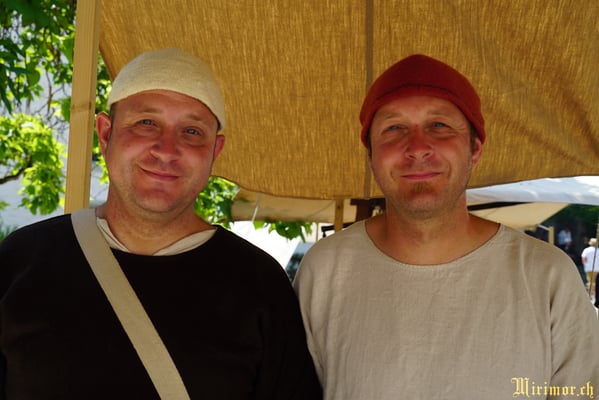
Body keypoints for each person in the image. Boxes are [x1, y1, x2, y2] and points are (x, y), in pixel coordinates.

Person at [0, 48, 321, 399]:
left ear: (215, 151)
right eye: (146, 123)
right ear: (105, 134)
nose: (167, 150)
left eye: (192, 131)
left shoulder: (260, 285)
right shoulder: (22, 261)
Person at [294, 54, 599, 399]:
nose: (417, 148)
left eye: (439, 125)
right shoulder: (325, 271)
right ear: (371, 157)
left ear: (475, 149)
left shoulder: (547, 277)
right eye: (394, 128)